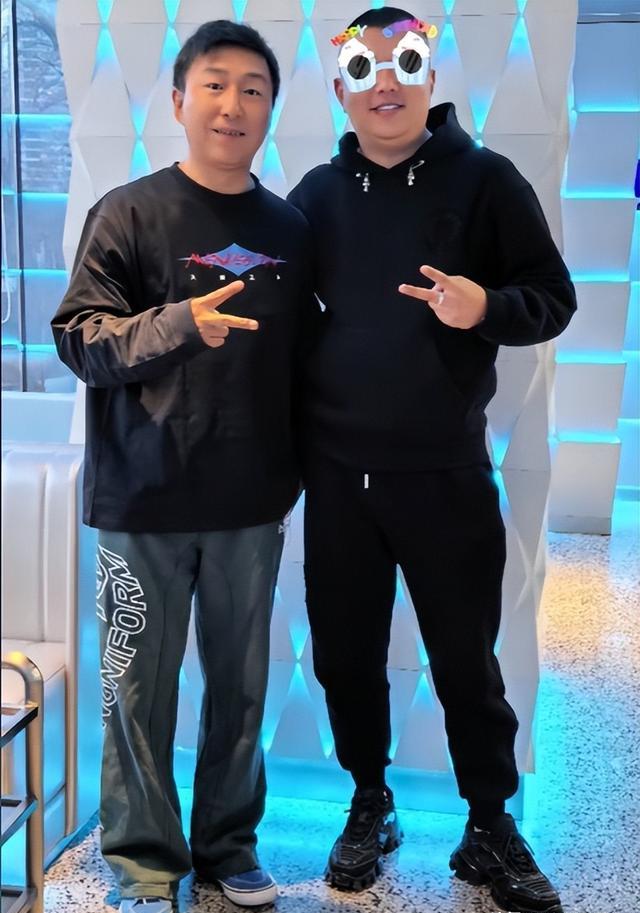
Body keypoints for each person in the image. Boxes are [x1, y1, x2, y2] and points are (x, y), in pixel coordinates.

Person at [287, 8, 575, 913]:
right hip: (338, 476)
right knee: (346, 654)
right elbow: (282, 316)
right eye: (365, 68)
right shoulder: (316, 196)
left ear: (430, 76)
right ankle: (369, 800)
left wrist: (484, 305)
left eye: (405, 63)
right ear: (341, 89)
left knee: (465, 659)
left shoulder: (486, 180)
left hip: (445, 472)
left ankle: (489, 822)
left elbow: (553, 296)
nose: (387, 82)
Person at [51, 20, 314, 912]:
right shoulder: (126, 212)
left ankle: (230, 847)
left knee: (241, 688)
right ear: (178, 100)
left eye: (253, 89)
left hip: (251, 500)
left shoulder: (290, 227)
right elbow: (79, 338)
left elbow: (306, 360)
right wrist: (178, 324)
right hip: (141, 499)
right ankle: (143, 862)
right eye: (214, 84)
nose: (232, 104)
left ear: (270, 110)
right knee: (136, 693)